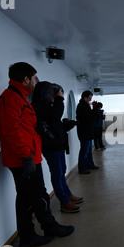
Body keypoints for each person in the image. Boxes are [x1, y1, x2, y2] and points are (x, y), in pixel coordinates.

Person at [0, 62, 74, 247]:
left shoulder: (20, 98)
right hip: (24, 160)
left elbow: (24, 127)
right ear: (26, 79)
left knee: (24, 199)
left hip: (28, 157)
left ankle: (27, 236)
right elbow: (11, 131)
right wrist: (26, 157)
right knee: (40, 196)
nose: (35, 81)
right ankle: (50, 227)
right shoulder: (11, 98)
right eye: (34, 78)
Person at [31, 81, 83, 213]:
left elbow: (54, 123)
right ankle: (64, 202)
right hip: (51, 147)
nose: (57, 96)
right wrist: (60, 99)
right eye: (54, 93)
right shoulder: (39, 106)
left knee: (61, 172)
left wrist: (65, 126)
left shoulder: (48, 106)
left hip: (57, 145)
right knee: (57, 174)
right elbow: (55, 117)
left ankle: (68, 195)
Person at [76, 90, 99, 174]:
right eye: (89, 98)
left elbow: (90, 117)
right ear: (84, 98)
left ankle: (90, 165)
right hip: (84, 132)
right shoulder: (82, 106)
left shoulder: (85, 105)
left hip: (87, 132)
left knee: (89, 150)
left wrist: (94, 108)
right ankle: (82, 168)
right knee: (84, 151)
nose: (90, 100)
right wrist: (95, 108)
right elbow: (89, 118)